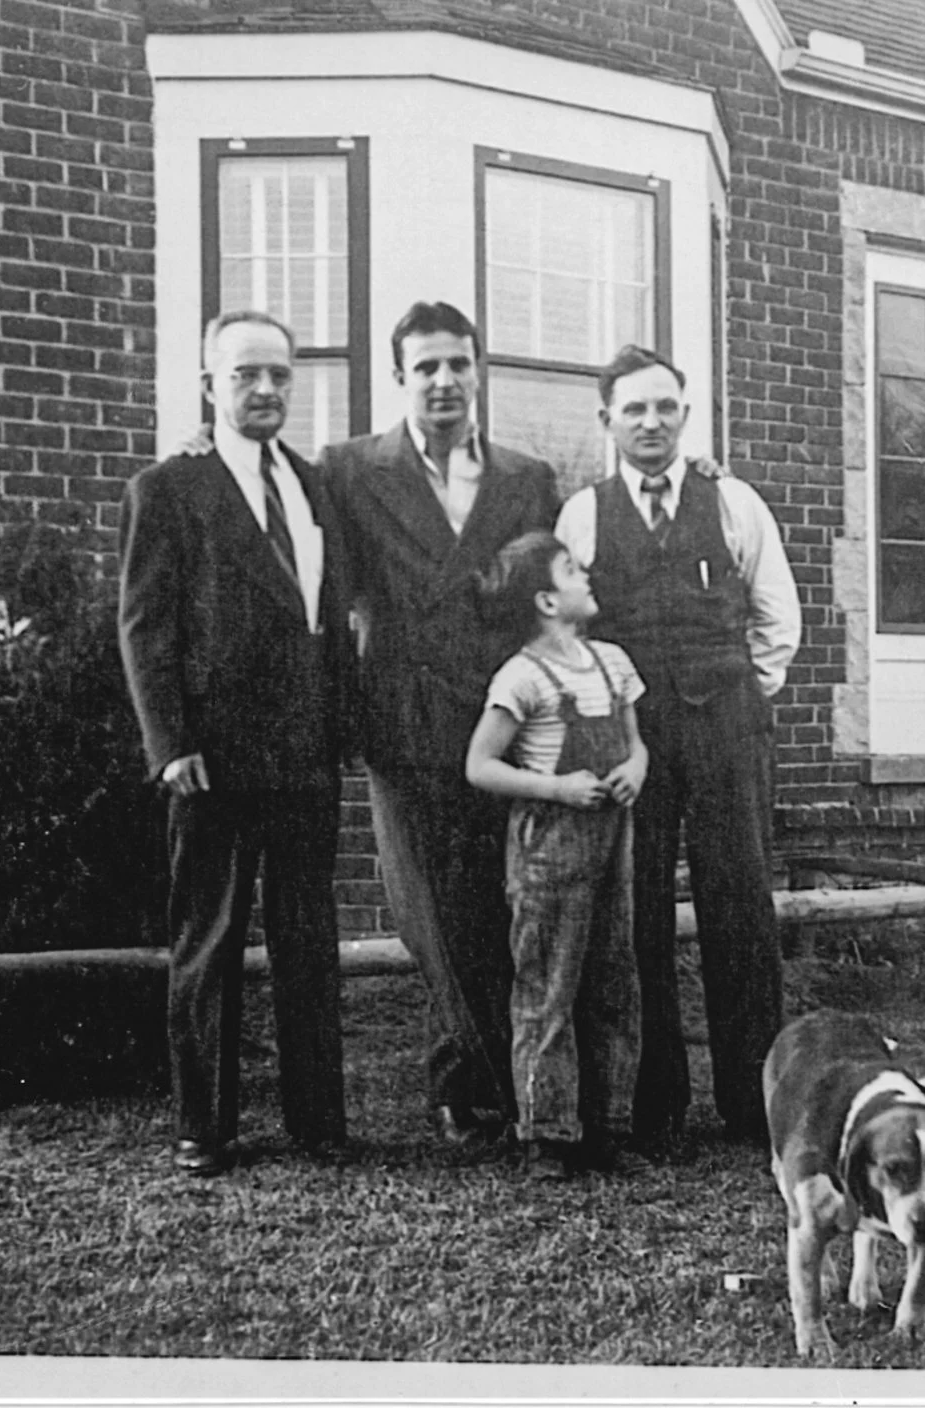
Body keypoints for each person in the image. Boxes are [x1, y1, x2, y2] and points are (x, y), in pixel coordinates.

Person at [117, 309, 352, 1177]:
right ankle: (204, 1127)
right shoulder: (169, 489)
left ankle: (317, 1121)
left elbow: (330, 616)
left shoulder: (315, 483)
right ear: (209, 385)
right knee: (209, 939)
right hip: (212, 756)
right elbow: (145, 627)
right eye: (245, 375)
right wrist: (168, 741)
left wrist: (343, 726)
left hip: (305, 750)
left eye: (279, 376)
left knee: (307, 938)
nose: (264, 390)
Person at [322, 301, 563, 1145]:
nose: (444, 381)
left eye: (458, 363)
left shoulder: (527, 478)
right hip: (406, 719)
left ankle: (462, 1089)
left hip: (498, 722)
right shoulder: (349, 470)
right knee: (428, 916)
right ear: (400, 377)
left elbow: (546, 598)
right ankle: (509, 1089)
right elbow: (329, 595)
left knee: (491, 907)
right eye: (426, 366)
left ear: (478, 371)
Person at [554, 344, 802, 1147]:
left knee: (741, 907)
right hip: (633, 736)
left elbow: (777, 617)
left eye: (665, 407)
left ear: (684, 415)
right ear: (608, 422)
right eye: (634, 409)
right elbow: (569, 631)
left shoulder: (732, 501)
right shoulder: (584, 514)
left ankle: (752, 1100)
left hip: (725, 727)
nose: (651, 423)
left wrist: (737, 695)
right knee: (639, 909)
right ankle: (655, 1100)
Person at [465, 531, 648, 1180]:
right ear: (546, 599)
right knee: (548, 987)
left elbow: (636, 745)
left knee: (612, 983)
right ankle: (546, 1133)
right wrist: (557, 787)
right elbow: (480, 765)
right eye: (572, 569)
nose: (586, 573)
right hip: (549, 847)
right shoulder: (522, 676)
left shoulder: (613, 663)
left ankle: (608, 1127)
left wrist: (635, 770)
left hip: (611, 842)